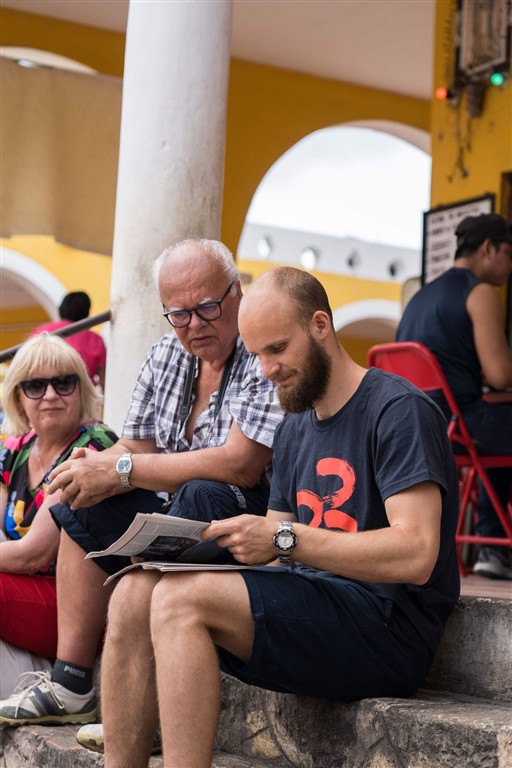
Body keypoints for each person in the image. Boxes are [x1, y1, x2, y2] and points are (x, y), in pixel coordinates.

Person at [89, 265, 459, 768]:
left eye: (278, 349)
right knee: (136, 588)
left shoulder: (398, 410)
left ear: (320, 325)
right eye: (257, 354)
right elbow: (278, 556)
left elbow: (416, 554)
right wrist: (198, 547)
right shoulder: (294, 429)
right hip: (317, 602)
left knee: (180, 601)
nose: (266, 370)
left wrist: (283, 539)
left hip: (387, 628)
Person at [0, 238, 282, 726]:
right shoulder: (165, 354)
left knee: (200, 493)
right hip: (177, 518)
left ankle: (146, 701)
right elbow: (134, 446)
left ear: (236, 292)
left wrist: (120, 469)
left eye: (207, 307)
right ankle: (72, 682)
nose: (194, 324)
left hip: (247, 518)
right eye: (179, 314)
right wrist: (89, 468)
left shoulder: (261, 353)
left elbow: (241, 465)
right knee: (81, 496)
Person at [0, 333, 117, 698]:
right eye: (35, 386)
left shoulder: (92, 448)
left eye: (63, 383)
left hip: (77, 611)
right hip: (25, 593)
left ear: (81, 390)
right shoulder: (14, 449)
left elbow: (33, 554)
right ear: (18, 398)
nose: (50, 395)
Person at [396, 213, 512, 580]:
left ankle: (493, 548)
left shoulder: (419, 297)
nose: (510, 265)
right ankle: (494, 548)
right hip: (460, 428)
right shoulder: (481, 293)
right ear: (488, 248)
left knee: (500, 430)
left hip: (414, 431)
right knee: (501, 429)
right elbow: (500, 375)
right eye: (508, 253)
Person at [32, 291, 107, 390]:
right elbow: (104, 382)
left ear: (61, 309)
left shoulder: (42, 332)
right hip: (81, 394)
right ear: (87, 313)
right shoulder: (96, 339)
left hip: (45, 390)